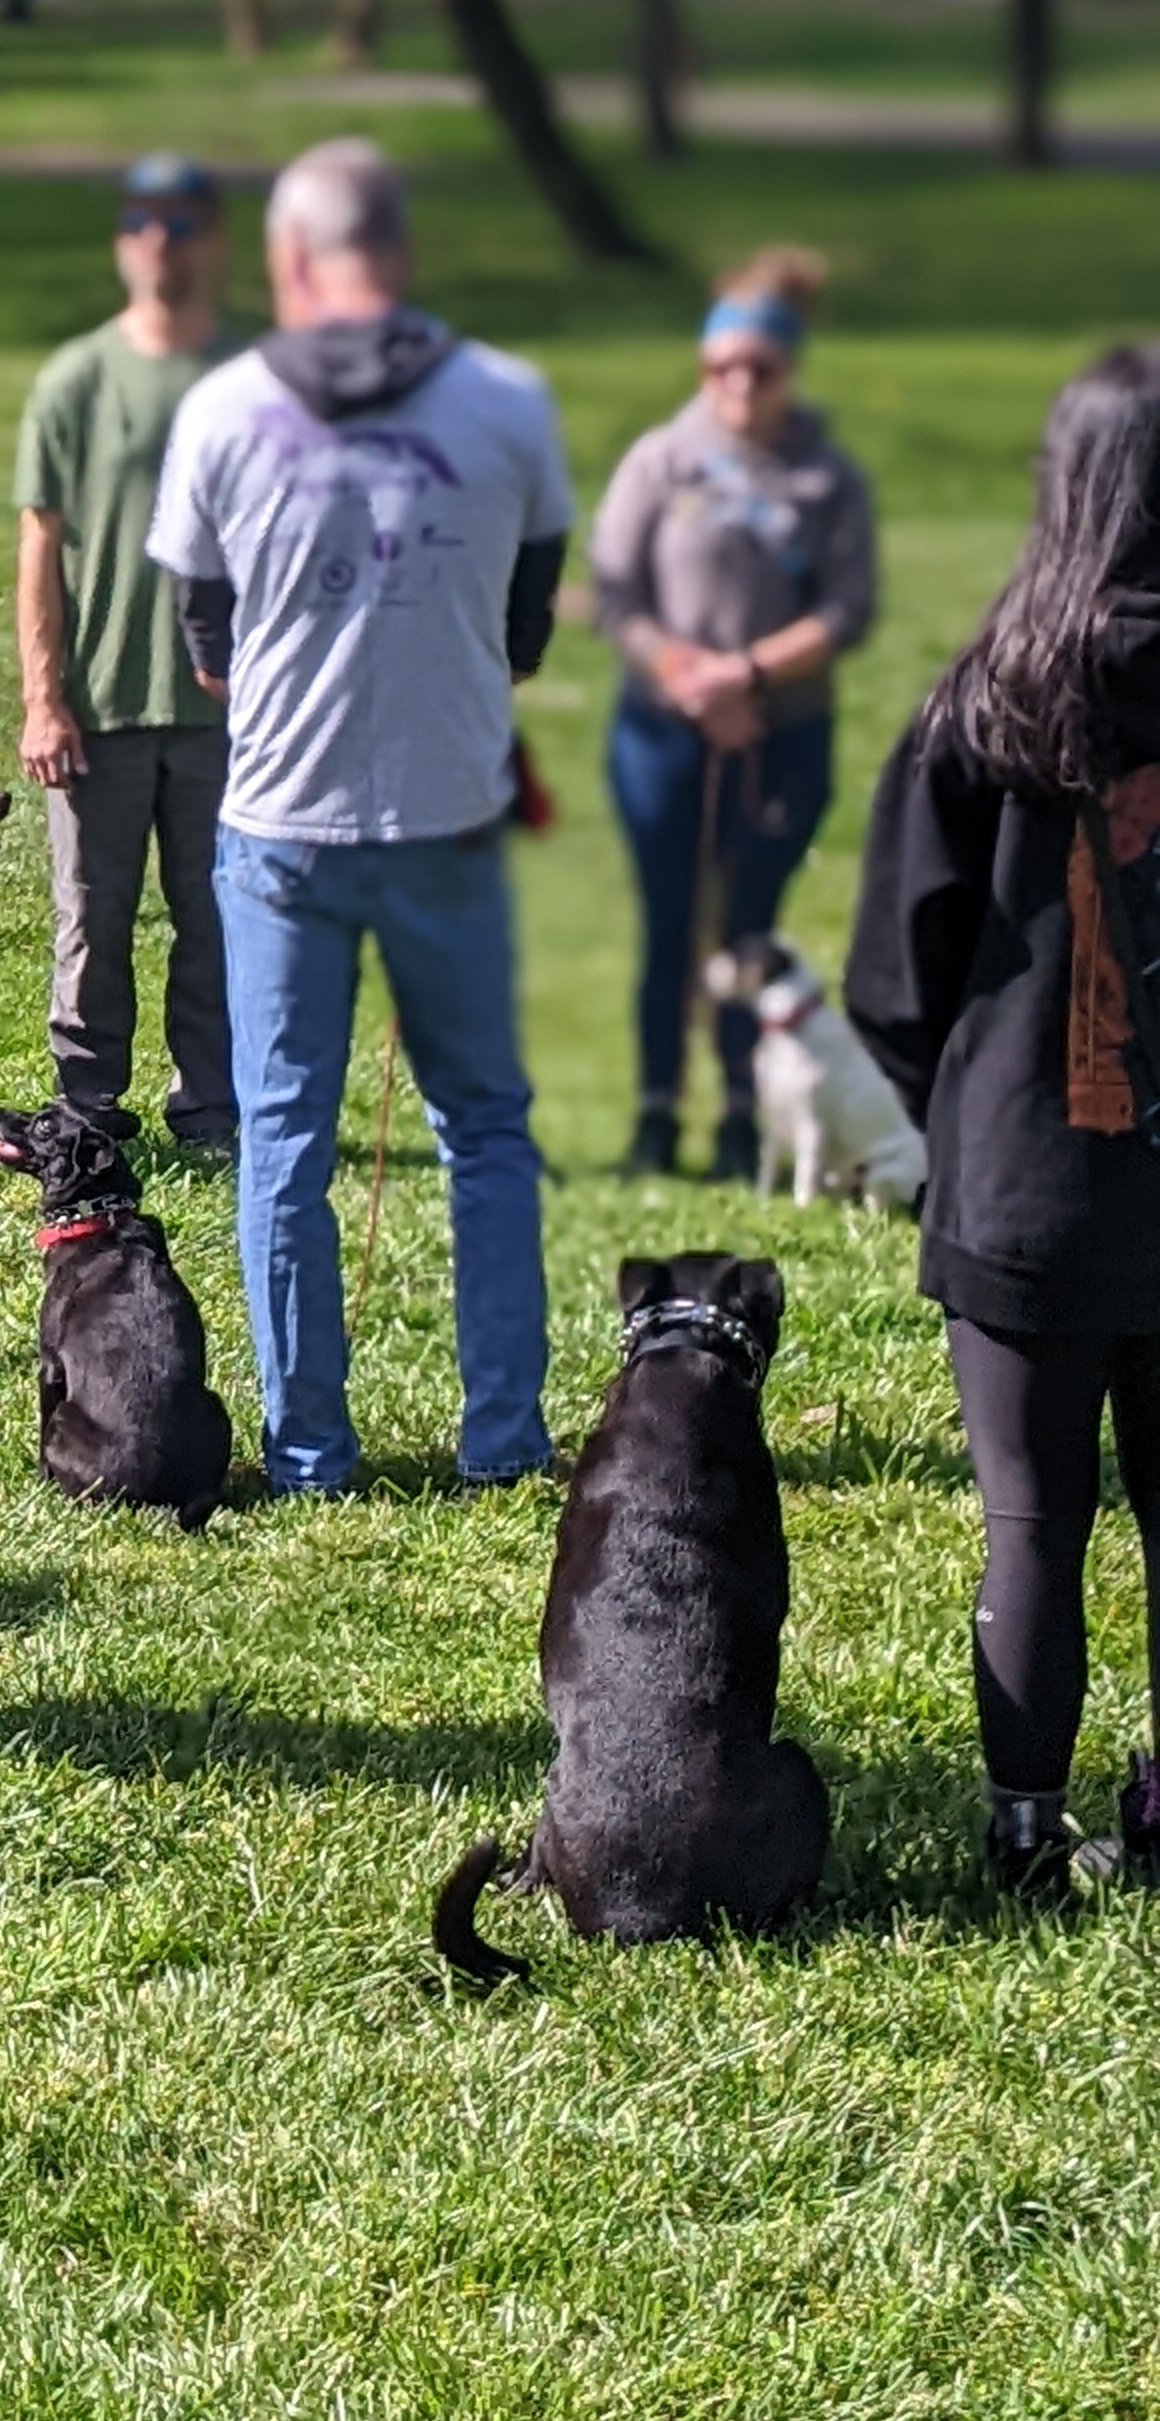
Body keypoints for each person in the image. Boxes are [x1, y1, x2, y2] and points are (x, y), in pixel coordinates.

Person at [150, 137, 573, 1498]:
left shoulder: (219, 412)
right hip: (447, 817)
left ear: (290, 259)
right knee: (486, 1130)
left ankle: (311, 1447)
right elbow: (526, 630)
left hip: (281, 822)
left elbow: (205, 642)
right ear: (406, 253)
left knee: (284, 1139)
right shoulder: (509, 402)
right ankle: (504, 1438)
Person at [848, 347, 1160, 1900]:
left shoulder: (990, 693)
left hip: (1026, 1178)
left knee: (1032, 1515)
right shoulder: (990, 690)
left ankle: (1025, 1832)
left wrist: (958, 1119)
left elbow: (897, 962)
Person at [593, 250, 877, 1180]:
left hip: (781, 734)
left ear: (791, 369)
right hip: (660, 731)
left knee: (749, 925)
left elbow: (847, 609)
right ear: (704, 366)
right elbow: (612, 589)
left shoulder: (827, 476)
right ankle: (654, 1113)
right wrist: (686, 675)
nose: (742, 384)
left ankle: (744, 1117)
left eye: (762, 367)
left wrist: (746, 676)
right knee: (668, 925)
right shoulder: (660, 459)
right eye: (725, 366)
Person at [9, 152, 237, 1157]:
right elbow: (40, 544)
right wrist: (44, 699)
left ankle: (213, 1108)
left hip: (230, 707)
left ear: (211, 241)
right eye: (144, 222)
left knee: (219, 922)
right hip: (99, 703)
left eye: (182, 223)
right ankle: (89, 1110)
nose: (161, 242)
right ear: (122, 240)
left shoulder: (255, 377)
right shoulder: (77, 379)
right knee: (91, 925)